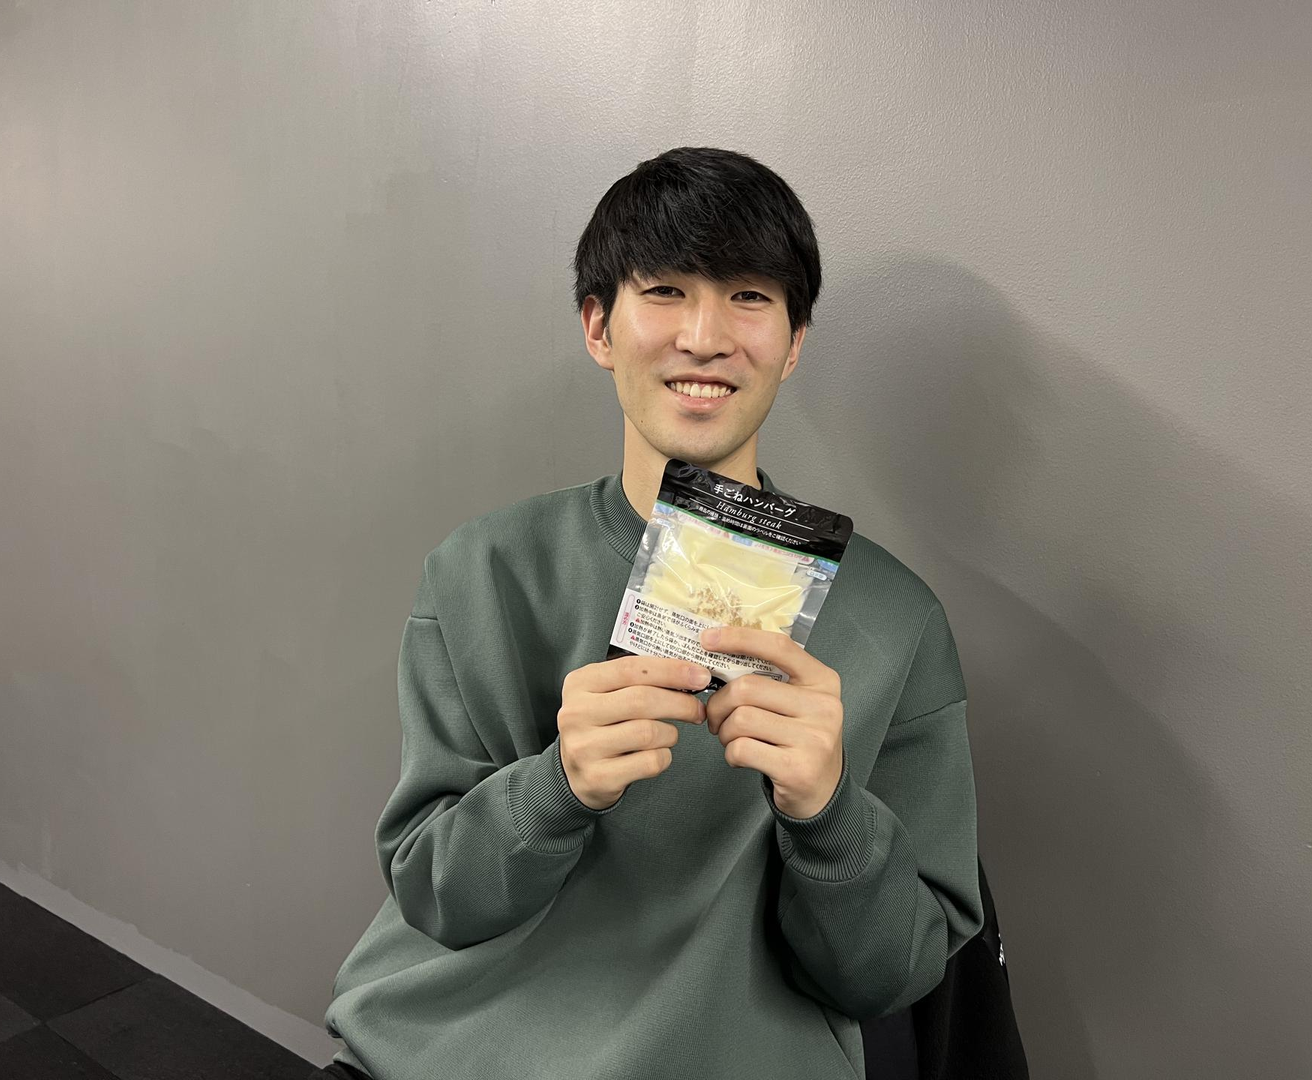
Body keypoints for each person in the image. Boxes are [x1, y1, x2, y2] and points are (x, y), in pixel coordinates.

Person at [321, 146, 983, 1080]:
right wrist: (555, 787)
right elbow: (436, 896)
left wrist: (830, 816)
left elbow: (892, 977)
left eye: (749, 296)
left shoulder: (896, 626)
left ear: (795, 342)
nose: (705, 337)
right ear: (599, 326)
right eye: (665, 291)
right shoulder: (481, 571)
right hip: (436, 1051)